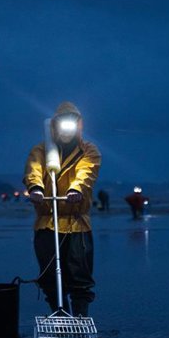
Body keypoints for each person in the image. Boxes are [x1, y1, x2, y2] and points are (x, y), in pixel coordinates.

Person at [23, 101, 101, 317]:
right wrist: (36, 188)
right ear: (54, 126)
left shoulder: (89, 151)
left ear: (78, 126)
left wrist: (77, 189)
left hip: (77, 223)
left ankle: (80, 317)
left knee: (80, 275)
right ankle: (59, 314)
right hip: (47, 222)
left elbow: (87, 173)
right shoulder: (40, 150)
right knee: (49, 275)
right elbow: (34, 170)